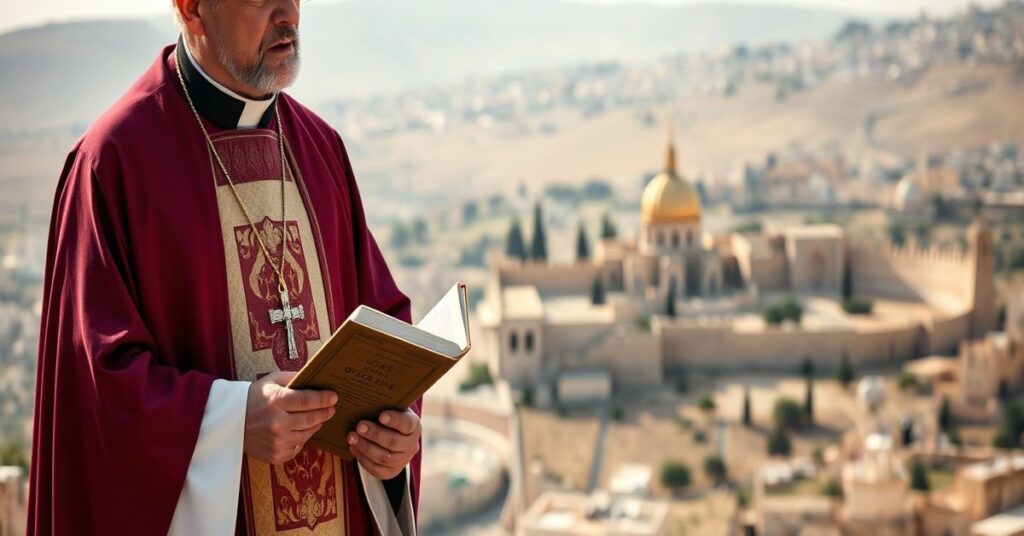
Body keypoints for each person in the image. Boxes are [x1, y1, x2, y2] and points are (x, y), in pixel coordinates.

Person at [27, 0, 422, 534]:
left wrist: (395, 437)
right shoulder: (114, 163)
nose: (288, 14)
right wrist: (231, 423)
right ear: (192, 9)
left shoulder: (320, 149)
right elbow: (98, 397)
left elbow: (385, 331)